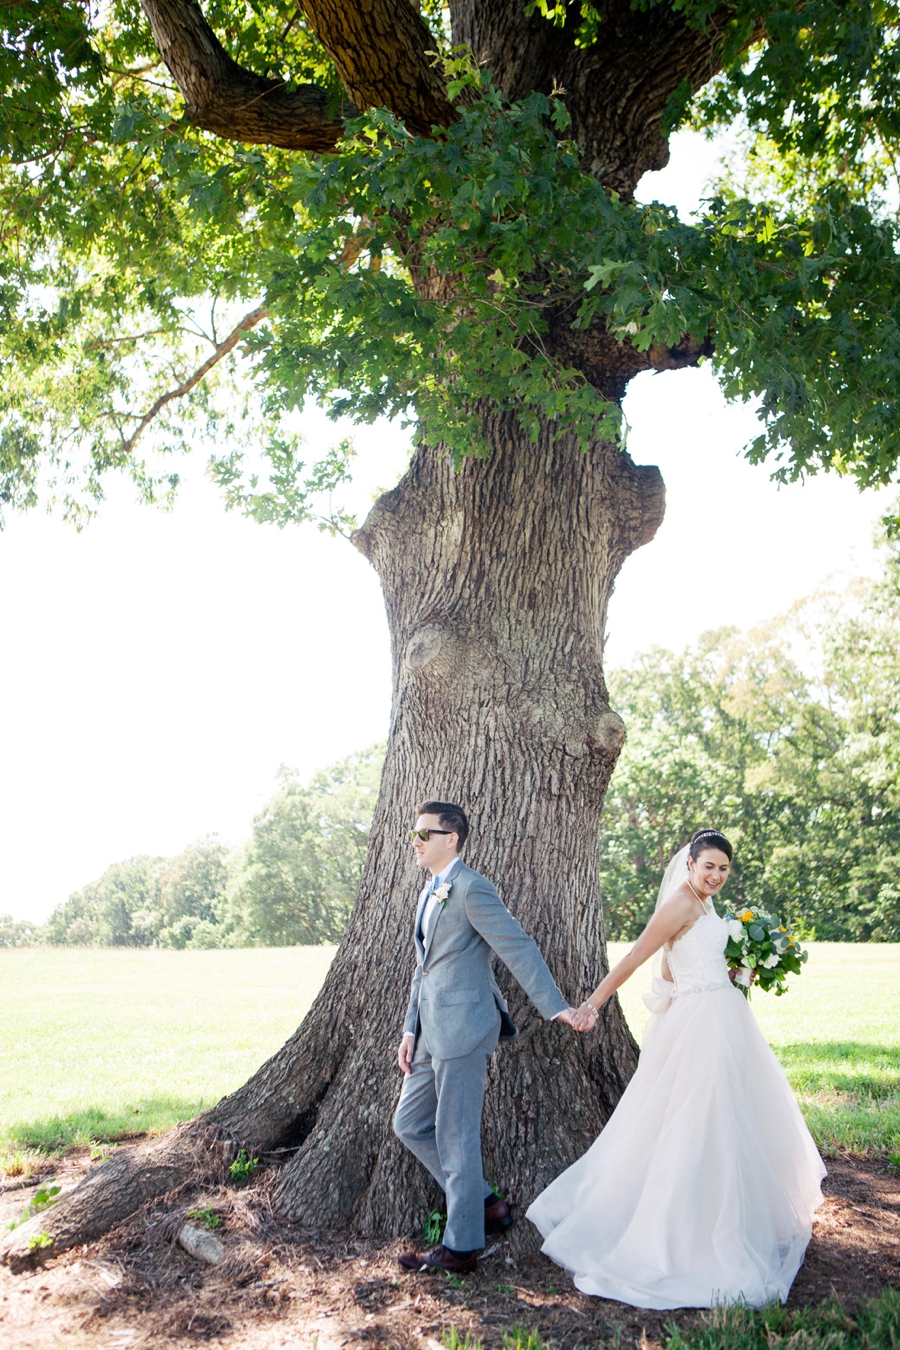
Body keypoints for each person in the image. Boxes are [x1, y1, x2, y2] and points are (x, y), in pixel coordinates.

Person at [527, 828, 826, 1310]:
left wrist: (729, 971)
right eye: (708, 865)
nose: (716, 875)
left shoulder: (704, 905)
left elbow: (672, 966)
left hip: (722, 1015)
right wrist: (593, 1004)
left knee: (725, 1115)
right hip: (701, 1024)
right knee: (697, 1118)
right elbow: (636, 955)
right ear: (689, 864)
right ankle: (685, 1232)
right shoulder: (681, 904)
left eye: (724, 869)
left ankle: (730, 1215)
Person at [394, 799, 585, 1275]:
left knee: (456, 1138)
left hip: (464, 1029)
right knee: (409, 1124)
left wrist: (555, 1006)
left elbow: (516, 945)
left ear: (451, 838)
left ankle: (460, 1248)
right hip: (428, 1031)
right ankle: (484, 1203)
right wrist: (409, 1027)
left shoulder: (472, 888)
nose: (415, 843)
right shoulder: (429, 890)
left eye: (424, 835)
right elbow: (424, 968)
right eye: (414, 834)